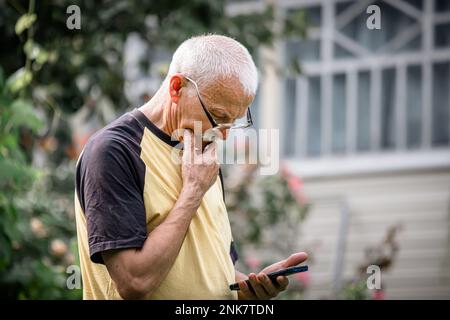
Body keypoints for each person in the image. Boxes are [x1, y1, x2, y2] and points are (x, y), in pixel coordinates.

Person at [74, 34, 308, 300]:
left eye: (232, 123)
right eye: (219, 117)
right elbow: (134, 282)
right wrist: (193, 190)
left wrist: (249, 289)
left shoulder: (202, 152)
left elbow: (213, 272)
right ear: (176, 87)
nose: (223, 136)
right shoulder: (113, 151)